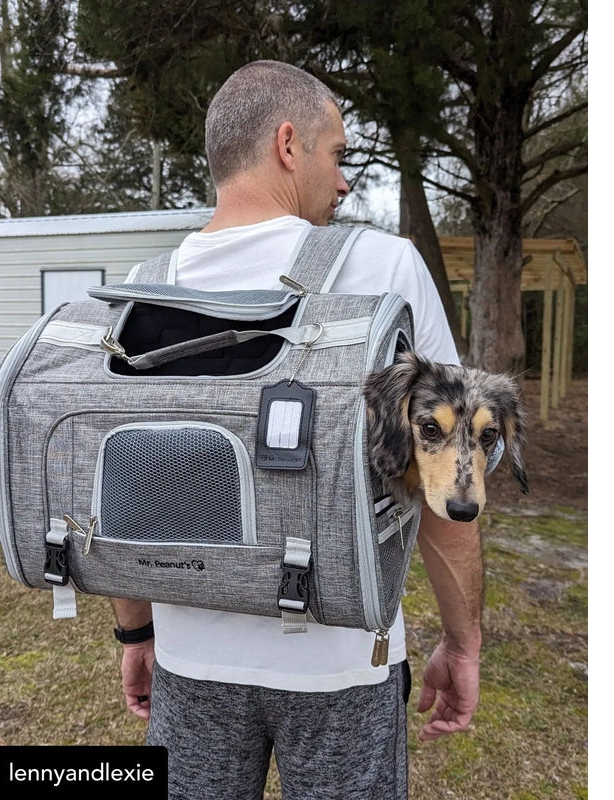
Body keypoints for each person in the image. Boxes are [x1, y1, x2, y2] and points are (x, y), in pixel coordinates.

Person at [108, 60, 483, 800]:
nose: (343, 182)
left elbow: (126, 489)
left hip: (190, 661)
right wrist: (463, 643)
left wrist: (137, 632)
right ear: (288, 145)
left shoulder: (144, 288)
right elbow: (449, 478)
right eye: (337, 154)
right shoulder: (386, 268)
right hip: (344, 666)